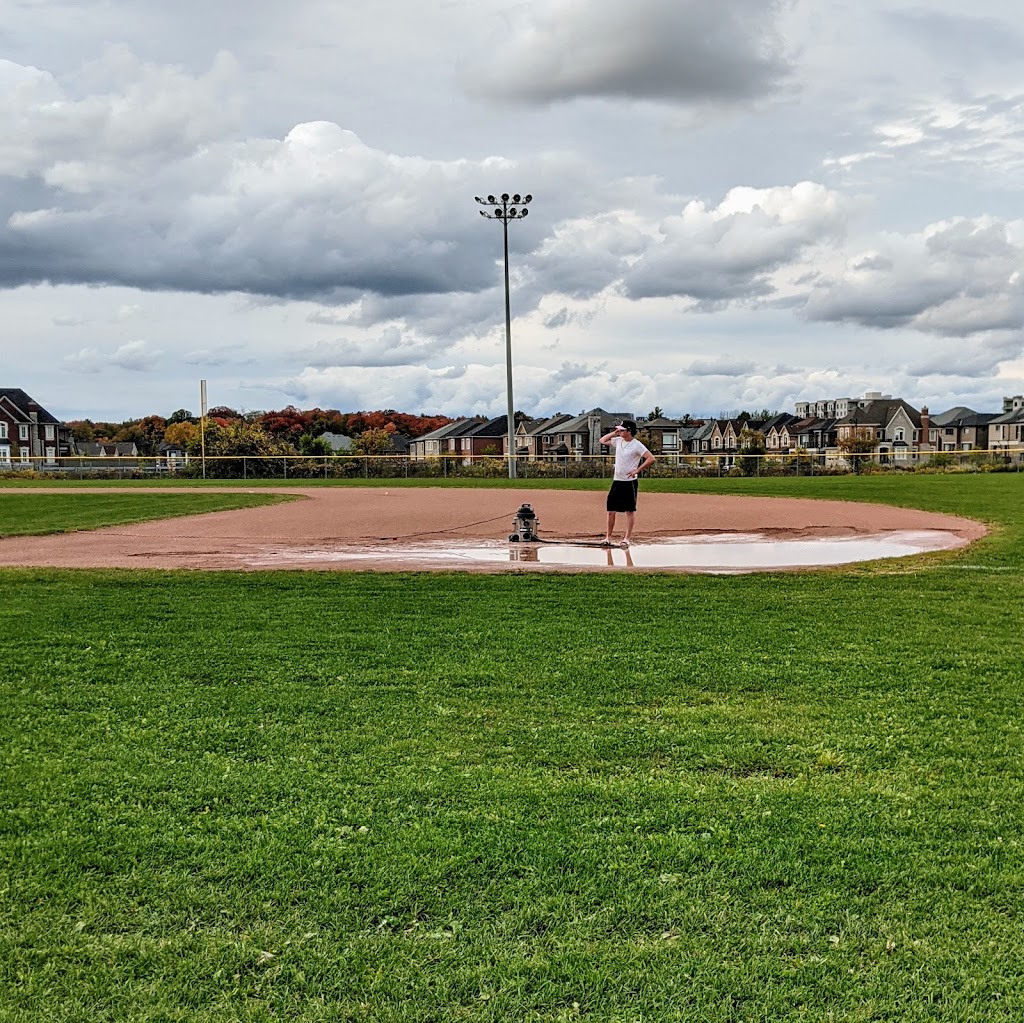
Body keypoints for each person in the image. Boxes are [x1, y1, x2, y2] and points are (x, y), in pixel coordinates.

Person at [599, 419, 655, 546]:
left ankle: (626, 538)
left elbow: (651, 458)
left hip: (629, 482)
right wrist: (614, 433)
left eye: (623, 430)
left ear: (629, 431)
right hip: (617, 481)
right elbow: (602, 441)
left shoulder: (637, 445)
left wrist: (638, 470)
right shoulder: (618, 441)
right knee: (611, 509)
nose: (620, 432)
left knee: (629, 510)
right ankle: (608, 537)